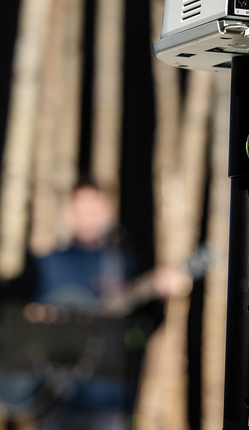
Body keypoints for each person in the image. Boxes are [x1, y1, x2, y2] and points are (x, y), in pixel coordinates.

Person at [22, 181, 191, 430]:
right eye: (81, 210)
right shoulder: (47, 263)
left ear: (109, 212)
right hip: (54, 397)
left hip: (109, 398)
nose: (88, 218)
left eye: (94, 210)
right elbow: (19, 319)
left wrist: (161, 296)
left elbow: (145, 326)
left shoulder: (124, 263)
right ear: (68, 213)